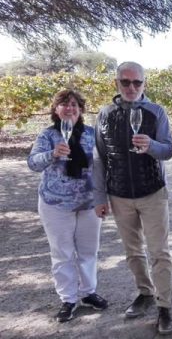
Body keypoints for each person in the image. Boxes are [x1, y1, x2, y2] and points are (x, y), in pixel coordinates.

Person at [93, 61, 172, 335]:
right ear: (116, 83)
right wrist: (100, 196)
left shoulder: (156, 112)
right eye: (125, 82)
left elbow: (167, 151)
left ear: (144, 84)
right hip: (119, 195)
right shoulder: (104, 114)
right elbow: (100, 158)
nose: (131, 87)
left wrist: (150, 145)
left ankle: (165, 306)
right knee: (133, 252)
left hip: (152, 191)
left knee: (159, 253)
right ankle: (145, 292)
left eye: (136, 82)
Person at [28, 89, 108, 322]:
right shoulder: (47, 136)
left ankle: (88, 293)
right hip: (55, 204)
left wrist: (104, 199)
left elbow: (103, 167)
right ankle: (68, 299)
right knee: (62, 252)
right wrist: (51, 154)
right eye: (64, 104)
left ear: (81, 109)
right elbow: (33, 163)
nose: (69, 108)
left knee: (88, 252)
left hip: (88, 204)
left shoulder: (93, 134)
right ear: (56, 109)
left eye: (74, 104)